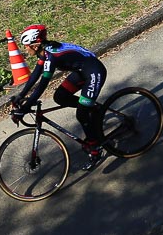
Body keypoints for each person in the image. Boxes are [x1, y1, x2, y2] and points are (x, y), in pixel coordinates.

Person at [11, 25, 107, 169]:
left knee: (81, 113)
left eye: (26, 46)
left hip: (94, 72)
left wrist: (25, 107)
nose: (26, 49)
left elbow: (42, 84)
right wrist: (20, 96)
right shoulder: (45, 52)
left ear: (36, 45)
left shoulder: (51, 56)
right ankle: (93, 108)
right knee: (60, 97)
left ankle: (95, 149)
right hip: (82, 71)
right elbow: (34, 77)